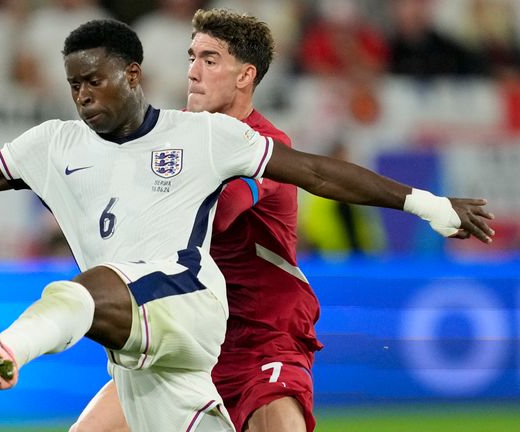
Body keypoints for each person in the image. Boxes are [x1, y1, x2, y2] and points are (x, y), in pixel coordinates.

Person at [0, 19, 494, 432]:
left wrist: (430, 207)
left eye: (95, 81)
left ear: (133, 74)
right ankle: (11, 348)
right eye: (73, 84)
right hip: (138, 347)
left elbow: (316, 172)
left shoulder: (204, 138)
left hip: (191, 308)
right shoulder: (53, 146)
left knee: (84, 288)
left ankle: (4, 347)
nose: (82, 95)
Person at [67, 9, 491, 432]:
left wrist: (428, 204)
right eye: (191, 57)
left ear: (245, 76)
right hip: (185, 340)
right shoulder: (166, 137)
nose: (193, 72)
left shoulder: (262, 144)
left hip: (260, 337)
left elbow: (216, 212)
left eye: (210, 60)